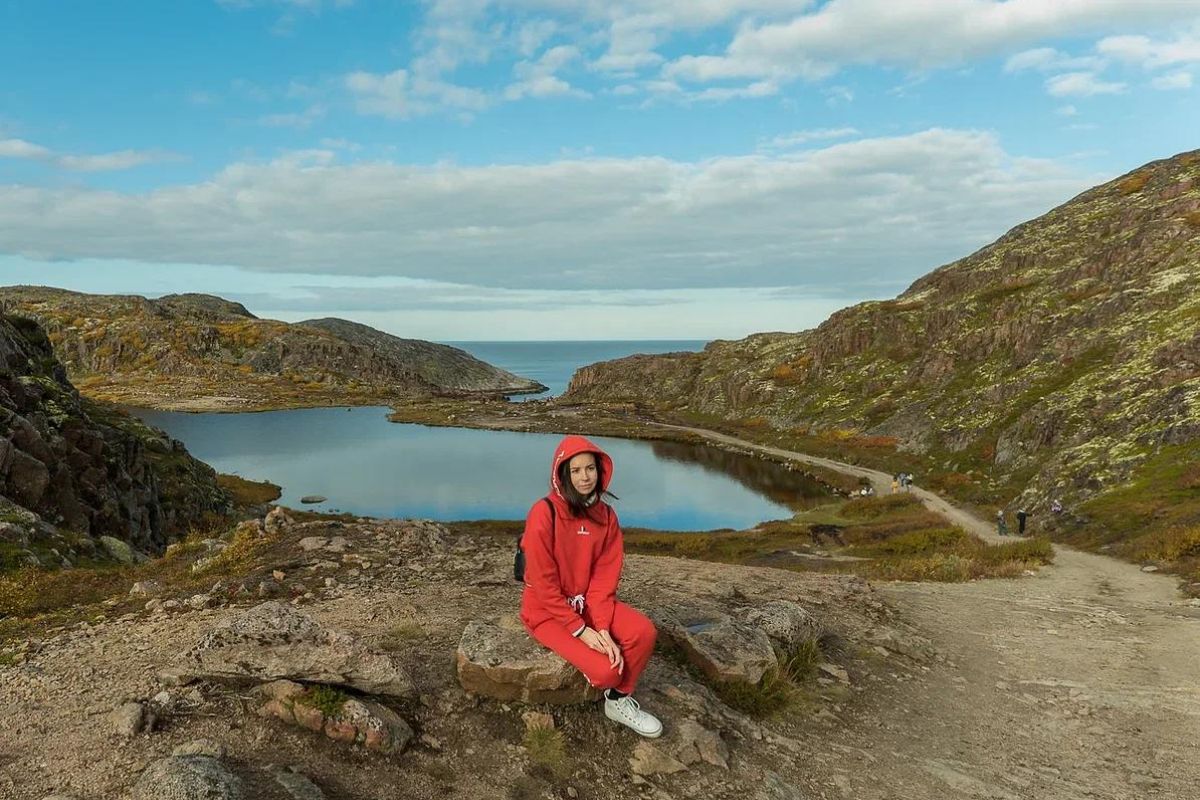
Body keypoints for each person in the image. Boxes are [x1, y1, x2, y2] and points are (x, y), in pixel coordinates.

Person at [519, 435, 662, 738]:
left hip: (586, 606)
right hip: (545, 612)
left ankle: (618, 700)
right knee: (607, 670)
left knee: (643, 633)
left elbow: (603, 580)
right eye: (575, 470)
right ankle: (609, 682)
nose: (584, 477)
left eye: (590, 469)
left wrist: (603, 628)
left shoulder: (607, 517)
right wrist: (581, 632)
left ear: (600, 471)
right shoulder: (544, 513)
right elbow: (543, 584)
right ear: (562, 474)